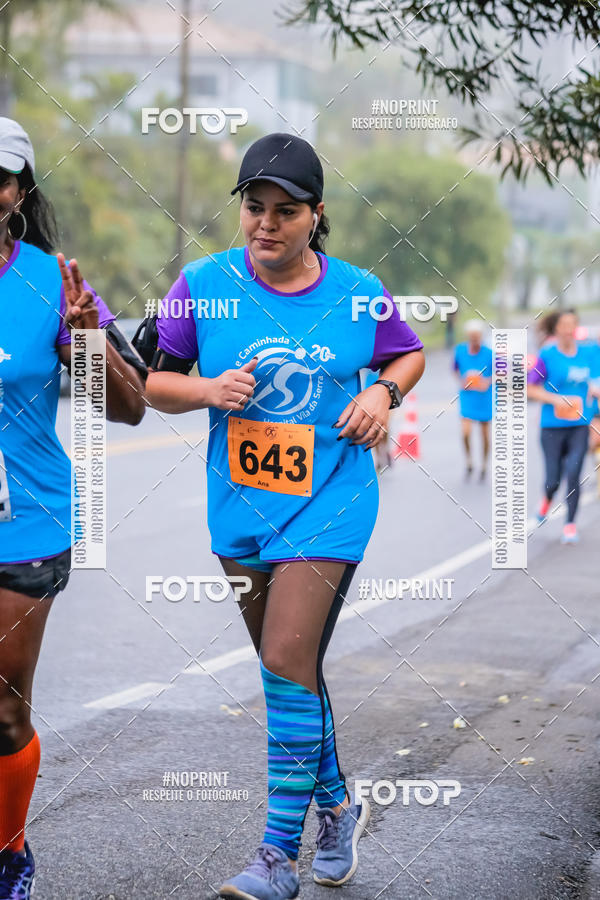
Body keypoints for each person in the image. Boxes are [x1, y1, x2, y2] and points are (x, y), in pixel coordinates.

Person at [143, 132, 425, 900]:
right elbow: (154, 387)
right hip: (240, 509)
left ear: (316, 215)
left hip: (332, 501)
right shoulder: (202, 284)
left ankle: (275, 858)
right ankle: (337, 804)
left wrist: (382, 394)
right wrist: (207, 391)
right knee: (290, 672)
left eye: (285, 211)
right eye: (254, 208)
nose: (266, 224)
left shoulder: (359, 290)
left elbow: (408, 353)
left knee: (283, 665)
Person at [0, 117, 147, 899]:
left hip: (22, 520)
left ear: (17, 192)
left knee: (2, 712)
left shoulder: (53, 284)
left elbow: (128, 408)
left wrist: (88, 342)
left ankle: (9, 853)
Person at [527, 308, 600, 543]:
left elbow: (596, 379)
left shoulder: (590, 352)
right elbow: (529, 388)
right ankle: (547, 498)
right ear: (556, 329)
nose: (568, 330)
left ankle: (570, 524)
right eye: (564, 326)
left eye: (572, 325)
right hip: (552, 427)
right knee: (553, 479)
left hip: (580, 424)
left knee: (574, 473)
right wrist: (556, 399)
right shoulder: (547, 356)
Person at [453, 319, 493, 480]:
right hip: (467, 396)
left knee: (484, 434)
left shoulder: (489, 353)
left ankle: (484, 463)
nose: (475, 340)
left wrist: (487, 382)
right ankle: (469, 460)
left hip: (484, 397)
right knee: (465, 432)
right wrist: (461, 381)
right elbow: (455, 369)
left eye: (477, 337)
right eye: (472, 337)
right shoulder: (460, 351)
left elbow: (501, 373)